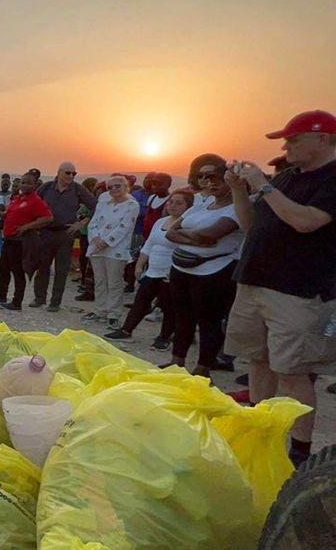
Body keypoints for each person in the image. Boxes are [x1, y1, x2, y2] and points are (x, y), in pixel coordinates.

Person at [223, 110, 336, 466]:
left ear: (323, 139)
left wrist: (264, 185)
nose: (286, 145)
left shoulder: (331, 179)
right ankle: (261, 428)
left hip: (297, 290)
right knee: (258, 359)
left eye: (293, 139)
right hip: (256, 281)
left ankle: (299, 451)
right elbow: (251, 223)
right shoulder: (288, 176)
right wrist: (238, 190)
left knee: (292, 371)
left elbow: (306, 222)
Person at [164, 154, 244, 377]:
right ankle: (176, 363)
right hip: (182, 268)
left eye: (215, 176)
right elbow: (171, 232)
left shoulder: (238, 208)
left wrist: (192, 236)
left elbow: (211, 235)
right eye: (203, 176)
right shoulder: (203, 203)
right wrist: (196, 238)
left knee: (208, 321)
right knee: (182, 318)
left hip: (213, 272)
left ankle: (203, 369)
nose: (209, 181)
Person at [105, 188, 191, 347]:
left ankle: (164, 338)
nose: (173, 206)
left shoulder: (188, 225)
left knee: (168, 306)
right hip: (152, 270)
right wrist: (139, 265)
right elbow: (149, 245)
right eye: (171, 202)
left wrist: (174, 272)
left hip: (171, 272)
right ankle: (126, 330)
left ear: (188, 206)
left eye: (179, 203)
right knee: (141, 301)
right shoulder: (160, 222)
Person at [33, 162, 96, 312]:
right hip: (45, 232)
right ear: (59, 172)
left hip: (65, 234)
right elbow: (33, 203)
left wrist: (81, 223)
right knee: (42, 267)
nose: (71, 176)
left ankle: (55, 302)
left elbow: (95, 205)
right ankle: (39, 298)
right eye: (68, 173)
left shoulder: (77, 189)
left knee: (62, 270)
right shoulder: (47, 187)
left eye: (74, 174)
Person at [0, 173, 52, 311]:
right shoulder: (17, 198)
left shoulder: (36, 201)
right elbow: (8, 215)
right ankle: (1, 296)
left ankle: (17, 302)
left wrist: (27, 227)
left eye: (29, 183)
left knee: (17, 272)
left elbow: (48, 218)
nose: (25, 185)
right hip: (9, 239)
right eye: (23, 182)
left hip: (21, 241)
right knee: (3, 268)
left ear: (35, 185)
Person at [83, 175, 140, 326]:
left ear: (126, 187)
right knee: (100, 280)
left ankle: (113, 313)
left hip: (116, 248)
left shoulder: (132, 205)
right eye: (110, 187)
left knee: (114, 282)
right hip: (97, 246)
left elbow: (125, 227)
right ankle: (99, 310)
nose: (114, 189)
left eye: (118, 186)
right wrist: (95, 238)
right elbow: (93, 222)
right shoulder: (104, 202)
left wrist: (107, 242)